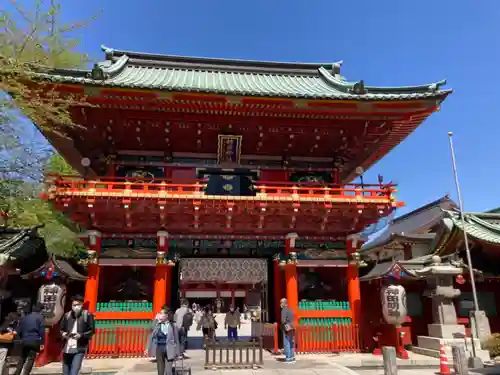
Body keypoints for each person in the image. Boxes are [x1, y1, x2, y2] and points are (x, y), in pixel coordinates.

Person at [60, 295, 95, 375]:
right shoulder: (67, 315)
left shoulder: (87, 315)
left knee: (74, 372)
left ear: (82, 304)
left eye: (77, 304)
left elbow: (92, 331)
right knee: (66, 373)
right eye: (74, 305)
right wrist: (63, 334)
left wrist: (81, 335)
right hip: (67, 348)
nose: (75, 307)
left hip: (79, 348)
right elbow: (61, 329)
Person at [146, 308, 180, 375]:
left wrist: (177, 353)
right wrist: (147, 348)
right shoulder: (157, 325)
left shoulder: (173, 326)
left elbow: (176, 340)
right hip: (159, 348)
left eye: (161, 313)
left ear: (167, 315)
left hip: (169, 349)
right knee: (160, 371)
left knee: (168, 371)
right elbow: (151, 334)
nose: (159, 315)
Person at [14, 303, 45, 375]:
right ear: (41, 310)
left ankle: (17, 373)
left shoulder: (25, 317)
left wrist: (21, 338)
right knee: (31, 358)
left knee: (22, 358)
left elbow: (19, 330)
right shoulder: (40, 317)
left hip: (24, 341)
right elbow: (41, 331)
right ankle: (26, 373)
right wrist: (42, 343)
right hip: (34, 341)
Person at [280, 298, 295, 363]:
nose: (280, 304)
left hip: (287, 327)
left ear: (284, 303)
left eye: (281, 302)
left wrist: (283, 325)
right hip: (292, 327)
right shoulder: (290, 309)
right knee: (291, 342)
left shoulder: (284, 310)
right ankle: (292, 357)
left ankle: (288, 357)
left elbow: (283, 321)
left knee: (287, 343)